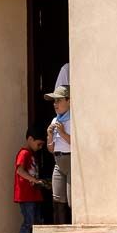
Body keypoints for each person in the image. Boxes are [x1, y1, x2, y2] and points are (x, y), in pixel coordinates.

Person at [45, 85, 73, 225]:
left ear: (68, 100)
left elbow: (76, 144)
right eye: (54, 101)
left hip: (70, 161)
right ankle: (59, 231)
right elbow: (51, 149)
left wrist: (62, 133)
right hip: (58, 161)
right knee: (57, 199)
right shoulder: (54, 120)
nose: (55, 104)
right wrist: (49, 136)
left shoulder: (73, 119)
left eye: (58, 100)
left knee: (71, 200)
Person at [14, 130, 48, 233]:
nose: (40, 147)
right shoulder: (24, 153)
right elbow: (20, 170)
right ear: (30, 139)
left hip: (34, 195)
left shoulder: (33, 154)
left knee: (36, 223)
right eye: (39, 144)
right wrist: (35, 180)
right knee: (29, 222)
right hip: (26, 195)